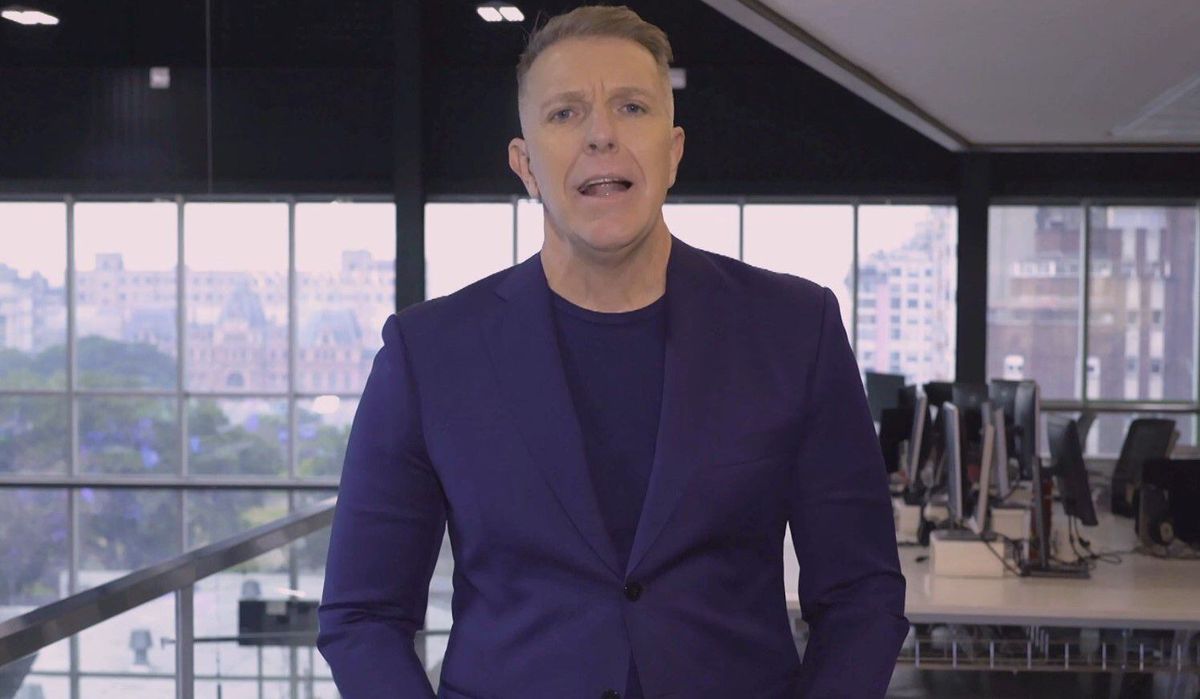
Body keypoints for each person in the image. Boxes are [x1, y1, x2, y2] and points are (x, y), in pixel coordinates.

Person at [316, 5, 908, 698]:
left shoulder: (795, 329)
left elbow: (862, 594)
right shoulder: (428, 353)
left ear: (673, 151)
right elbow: (362, 615)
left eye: (631, 107)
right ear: (525, 164)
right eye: (565, 113)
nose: (601, 134)